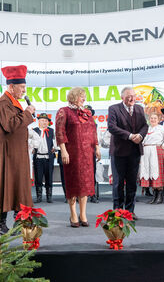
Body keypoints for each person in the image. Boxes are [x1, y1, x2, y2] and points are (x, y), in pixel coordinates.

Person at [0, 65, 35, 235]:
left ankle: (17, 223)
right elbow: (10, 125)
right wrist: (28, 113)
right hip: (8, 155)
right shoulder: (3, 103)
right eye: (22, 87)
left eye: (24, 87)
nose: (24, 91)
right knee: (6, 187)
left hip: (15, 153)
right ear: (11, 87)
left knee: (15, 187)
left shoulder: (11, 102)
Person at [56, 87, 101, 227]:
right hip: (72, 154)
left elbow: (93, 132)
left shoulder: (87, 113)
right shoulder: (64, 111)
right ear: (74, 96)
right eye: (82, 96)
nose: (84, 98)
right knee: (73, 183)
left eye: (85, 96)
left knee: (86, 184)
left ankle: (83, 214)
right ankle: (73, 214)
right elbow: (60, 132)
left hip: (87, 154)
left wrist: (97, 147)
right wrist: (63, 150)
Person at [107, 87, 148, 217]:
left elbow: (145, 126)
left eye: (133, 96)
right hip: (119, 152)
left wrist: (140, 136)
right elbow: (112, 127)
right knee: (118, 183)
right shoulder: (114, 109)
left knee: (132, 183)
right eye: (128, 96)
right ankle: (117, 211)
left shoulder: (140, 108)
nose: (132, 98)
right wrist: (130, 136)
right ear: (122, 97)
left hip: (134, 151)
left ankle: (130, 211)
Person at [139, 112, 164, 204]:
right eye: (151, 118)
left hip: (157, 151)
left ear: (159, 119)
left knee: (157, 172)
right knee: (150, 171)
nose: (153, 120)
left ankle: (160, 196)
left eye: (155, 118)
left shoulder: (162, 128)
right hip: (147, 152)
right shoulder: (146, 129)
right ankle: (154, 196)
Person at [32, 113, 56, 203]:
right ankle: (39, 196)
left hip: (48, 157)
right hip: (38, 157)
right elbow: (30, 141)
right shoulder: (34, 131)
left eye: (46, 121)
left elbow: (55, 141)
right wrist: (31, 148)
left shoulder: (51, 131)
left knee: (49, 176)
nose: (44, 122)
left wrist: (55, 148)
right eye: (42, 120)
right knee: (38, 177)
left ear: (48, 122)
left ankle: (49, 196)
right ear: (39, 121)